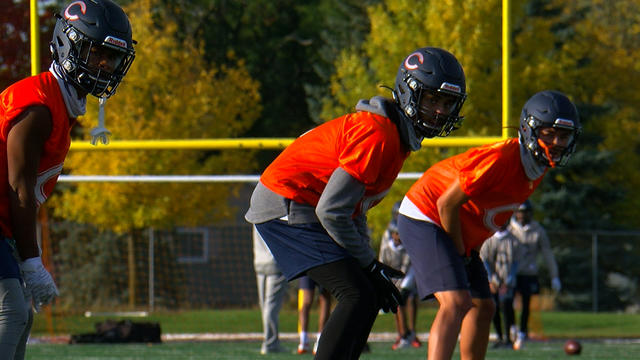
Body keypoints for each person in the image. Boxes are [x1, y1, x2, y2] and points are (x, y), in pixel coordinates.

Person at [245, 47, 467, 360]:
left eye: (447, 103)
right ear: (407, 92)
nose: (440, 111)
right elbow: (331, 211)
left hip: (304, 203)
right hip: (288, 203)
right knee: (356, 293)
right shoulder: (378, 134)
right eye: (432, 100)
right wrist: (368, 263)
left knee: (368, 292)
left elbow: (354, 209)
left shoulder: (394, 137)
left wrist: (368, 264)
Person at [397, 89, 581, 360]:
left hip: (454, 228)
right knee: (456, 302)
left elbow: (487, 215)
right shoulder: (501, 159)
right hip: (425, 214)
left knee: (484, 307)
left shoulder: (536, 169)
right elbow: (446, 204)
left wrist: (469, 250)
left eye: (563, 136)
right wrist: (461, 252)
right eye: (548, 133)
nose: (556, 142)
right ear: (530, 130)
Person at [0, 1, 135, 358]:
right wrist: (31, 259)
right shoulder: (37, 106)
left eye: (113, 58)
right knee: (10, 313)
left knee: (19, 317)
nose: (105, 66)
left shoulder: (59, 104)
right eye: (97, 53)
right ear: (69, 44)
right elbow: (19, 187)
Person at [508, 200, 562, 350]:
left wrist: (554, 276)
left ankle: (523, 332)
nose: (522, 215)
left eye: (525, 212)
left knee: (526, 304)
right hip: (511, 273)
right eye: (520, 212)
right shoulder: (510, 229)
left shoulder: (538, 230)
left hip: (529, 272)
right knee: (508, 302)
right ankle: (511, 328)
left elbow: (547, 253)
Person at [378, 219, 422, 350]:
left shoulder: (408, 246)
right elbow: (382, 263)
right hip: (392, 278)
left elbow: (406, 267)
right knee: (396, 303)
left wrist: (401, 285)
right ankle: (402, 334)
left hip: (407, 277)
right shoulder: (386, 247)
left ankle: (411, 333)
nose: (399, 236)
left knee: (407, 298)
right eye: (396, 233)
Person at [480, 224, 521, 349]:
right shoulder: (489, 239)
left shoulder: (514, 240)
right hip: (493, 281)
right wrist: (492, 280)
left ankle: (508, 338)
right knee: (494, 308)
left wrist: (508, 280)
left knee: (507, 306)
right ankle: (499, 336)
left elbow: (516, 262)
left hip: (507, 281)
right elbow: (485, 260)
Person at [253, 226, 289, 355]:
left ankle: (269, 339)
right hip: (274, 262)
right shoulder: (274, 215)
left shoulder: (255, 216)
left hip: (259, 262)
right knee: (271, 305)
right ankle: (270, 342)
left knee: (264, 305)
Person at [296, 275, 331, 354]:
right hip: (323, 266)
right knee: (325, 299)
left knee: (306, 301)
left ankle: (303, 341)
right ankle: (320, 341)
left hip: (306, 266)